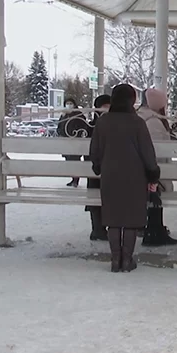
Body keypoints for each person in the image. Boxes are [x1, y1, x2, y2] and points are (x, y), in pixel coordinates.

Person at [89, 84, 160, 273]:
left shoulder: (103, 122)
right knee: (130, 219)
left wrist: (98, 165)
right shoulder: (137, 123)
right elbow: (147, 152)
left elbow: (94, 150)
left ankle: (115, 260)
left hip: (110, 175)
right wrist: (153, 172)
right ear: (131, 100)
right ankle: (127, 260)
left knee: (113, 217)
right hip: (135, 176)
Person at [138, 88, 177, 246]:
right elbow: (157, 151)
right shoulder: (153, 121)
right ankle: (154, 231)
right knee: (156, 196)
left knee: (154, 196)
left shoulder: (140, 116)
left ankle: (154, 229)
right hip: (153, 171)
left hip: (141, 171)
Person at [85, 94, 111, 241]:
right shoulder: (91, 126)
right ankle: (98, 228)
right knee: (95, 188)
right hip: (97, 169)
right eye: (104, 106)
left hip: (101, 169)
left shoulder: (92, 126)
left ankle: (99, 228)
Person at [57, 97, 88, 187]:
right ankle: (73, 178)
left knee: (75, 160)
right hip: (66, 141)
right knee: (69, 161)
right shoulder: (64, 114)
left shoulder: (78, 114)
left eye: (71, 103)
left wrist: (78, 135)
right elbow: (60, 125)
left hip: (76, 142)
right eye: (67, 103)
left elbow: (83, 126)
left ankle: (76, 180)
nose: (69, 105)